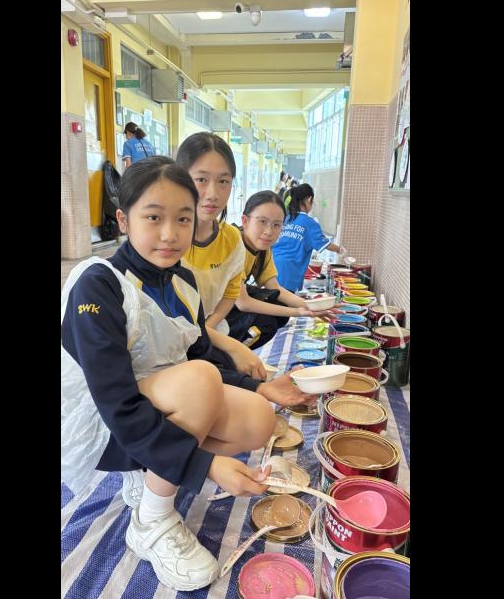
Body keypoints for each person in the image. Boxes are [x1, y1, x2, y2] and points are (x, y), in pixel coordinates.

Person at [61, 156, 316, 591]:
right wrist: (204, 465)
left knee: (258, 419)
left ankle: (151, 472)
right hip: (104, 423)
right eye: (153, 217)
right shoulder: (98, 284)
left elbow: (203, 355)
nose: (169, 233)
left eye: (182, 218)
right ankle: (152, 521)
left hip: (158, 404)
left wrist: (262, 388)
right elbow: (117, 402)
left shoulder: (182, 281)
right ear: (123, 220)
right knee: (198, 380)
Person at [226, 191, 334, 348]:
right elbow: (243, 303)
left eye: (276, 225)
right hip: (208, 313)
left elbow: (275, 287)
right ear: (245, 221)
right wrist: (298, 312)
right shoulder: (232, 243)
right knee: (266, 323)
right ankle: (227, 354)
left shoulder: (262, 249)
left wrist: (312, 306)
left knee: (279, 306)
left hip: (228, 304)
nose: (269, 231)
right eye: (262, 221)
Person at [175, 133, 244, 334]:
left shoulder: (232, 239)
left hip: (209, 331)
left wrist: (204, 332)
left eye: (223, 181)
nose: (213, 194)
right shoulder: (165, 238)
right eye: (201, 179)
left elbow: (231, 293)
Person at [272, 183, 347, 292]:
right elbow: (325, 244)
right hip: (289, 269)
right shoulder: (309, 223)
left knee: (273, 297)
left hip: (272, 263)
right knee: (284, 299)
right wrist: (340, 250)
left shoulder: (287, 218)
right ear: (309, 199)